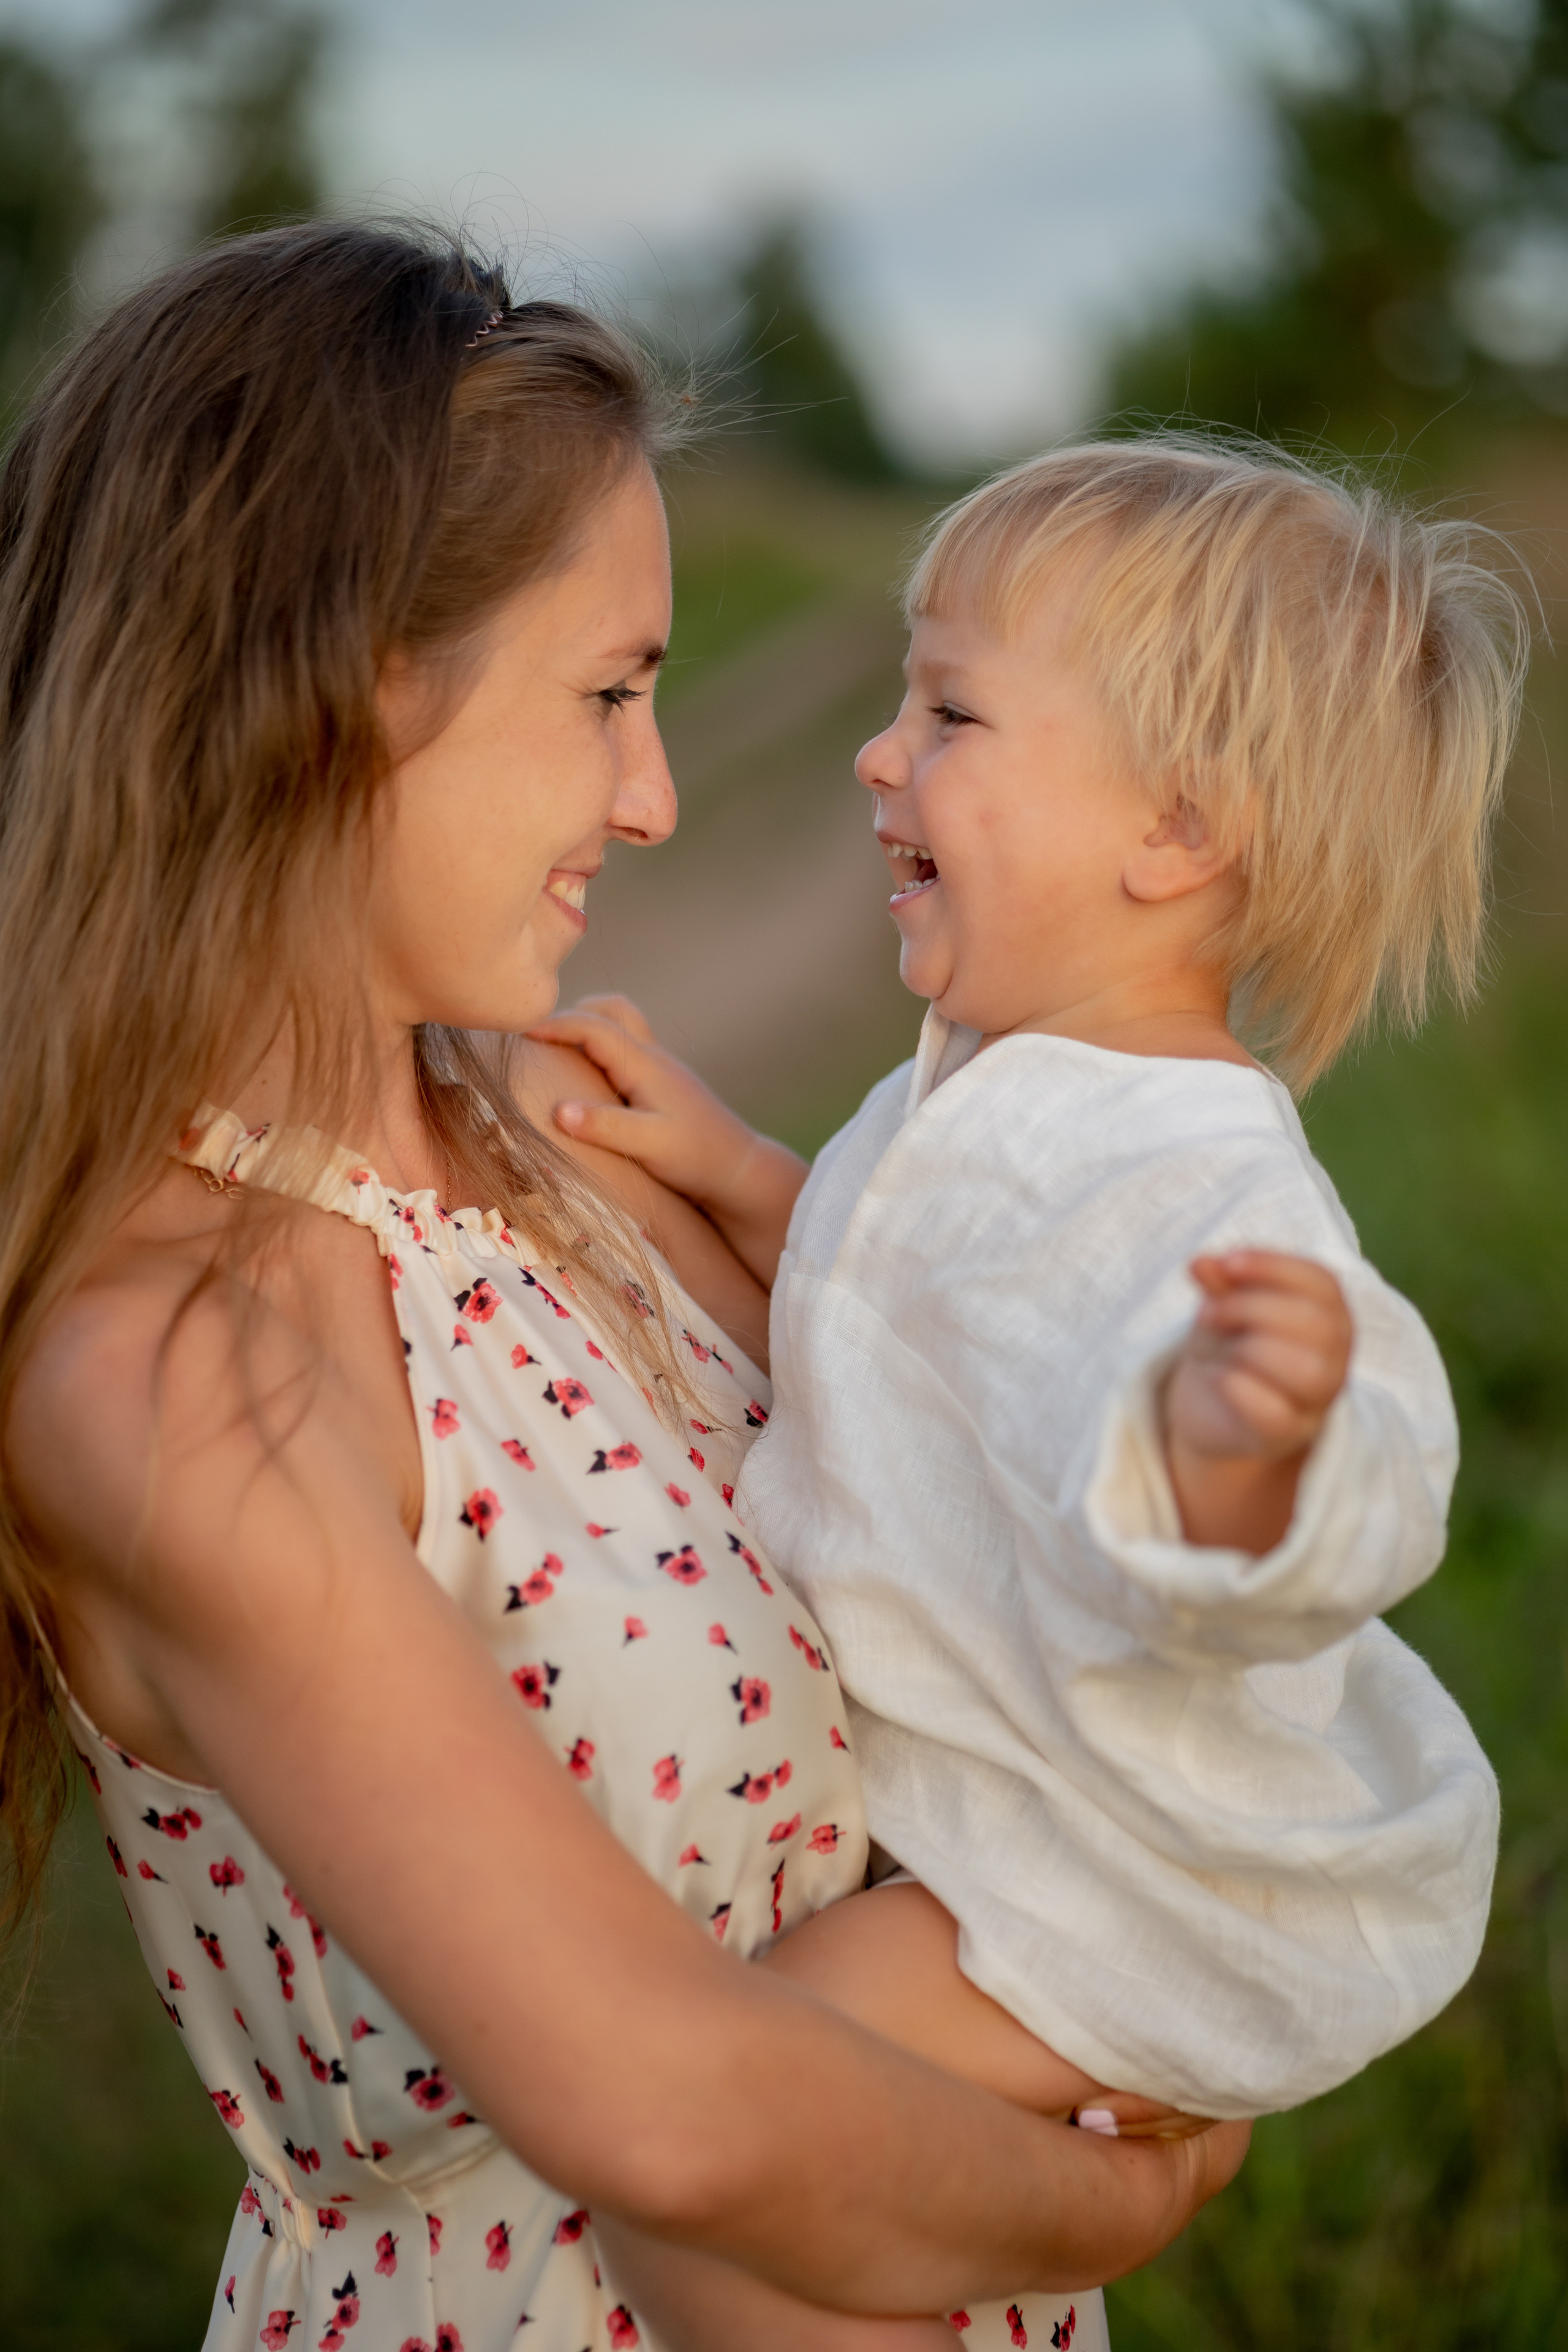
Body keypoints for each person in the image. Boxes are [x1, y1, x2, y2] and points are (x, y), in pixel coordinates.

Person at [0, 228, 1248, 2352]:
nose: (653, 798)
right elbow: (661, 2108)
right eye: (605, 694)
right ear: (329, 681)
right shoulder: (166, 1372)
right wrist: (1119, 2193)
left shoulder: (559, 1149)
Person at [532, 437, 1524, 2349]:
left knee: (714, 2145)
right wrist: (736, 1170)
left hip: (1131, 1882)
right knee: (778, 2161)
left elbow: (1364, 1475)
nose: (877, 755)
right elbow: (903, 1316)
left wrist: (1244, 1463)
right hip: (1029, 1834)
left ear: (1176, 832)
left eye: (952, 710)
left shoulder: (1194, 1177)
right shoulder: (987, 1089)